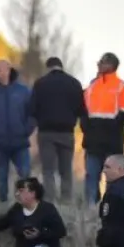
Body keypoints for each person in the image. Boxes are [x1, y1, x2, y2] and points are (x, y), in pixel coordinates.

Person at [30, 56, 86, 203]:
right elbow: (81, 110)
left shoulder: (40, 83)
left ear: (48, 67)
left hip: (46, 133)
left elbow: (32, 108)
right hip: (67, 133)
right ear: (61, 66)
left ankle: (50, 201)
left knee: (48, 170)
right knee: (66, 171)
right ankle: (66, 201)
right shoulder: (74, 83)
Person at [82, 53, 124, 205]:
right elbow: (83, 110)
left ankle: (112, 205)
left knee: (113, 176)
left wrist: (111, 127)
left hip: (112, 141)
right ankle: (91, 206)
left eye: (102, 62)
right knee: (91, 175)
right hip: (93, 140)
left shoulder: (122, 87)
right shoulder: (92, 86)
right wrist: (86, 127)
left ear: (111, 65)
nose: (98, 64)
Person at [0, 60, 35, 203]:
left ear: (8, 70)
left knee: (25, 175)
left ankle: (25, 205)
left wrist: (26, 131)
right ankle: (3, 205)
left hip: (20, 142)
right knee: (1, 177)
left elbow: (32, 113)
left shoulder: (23, 91)